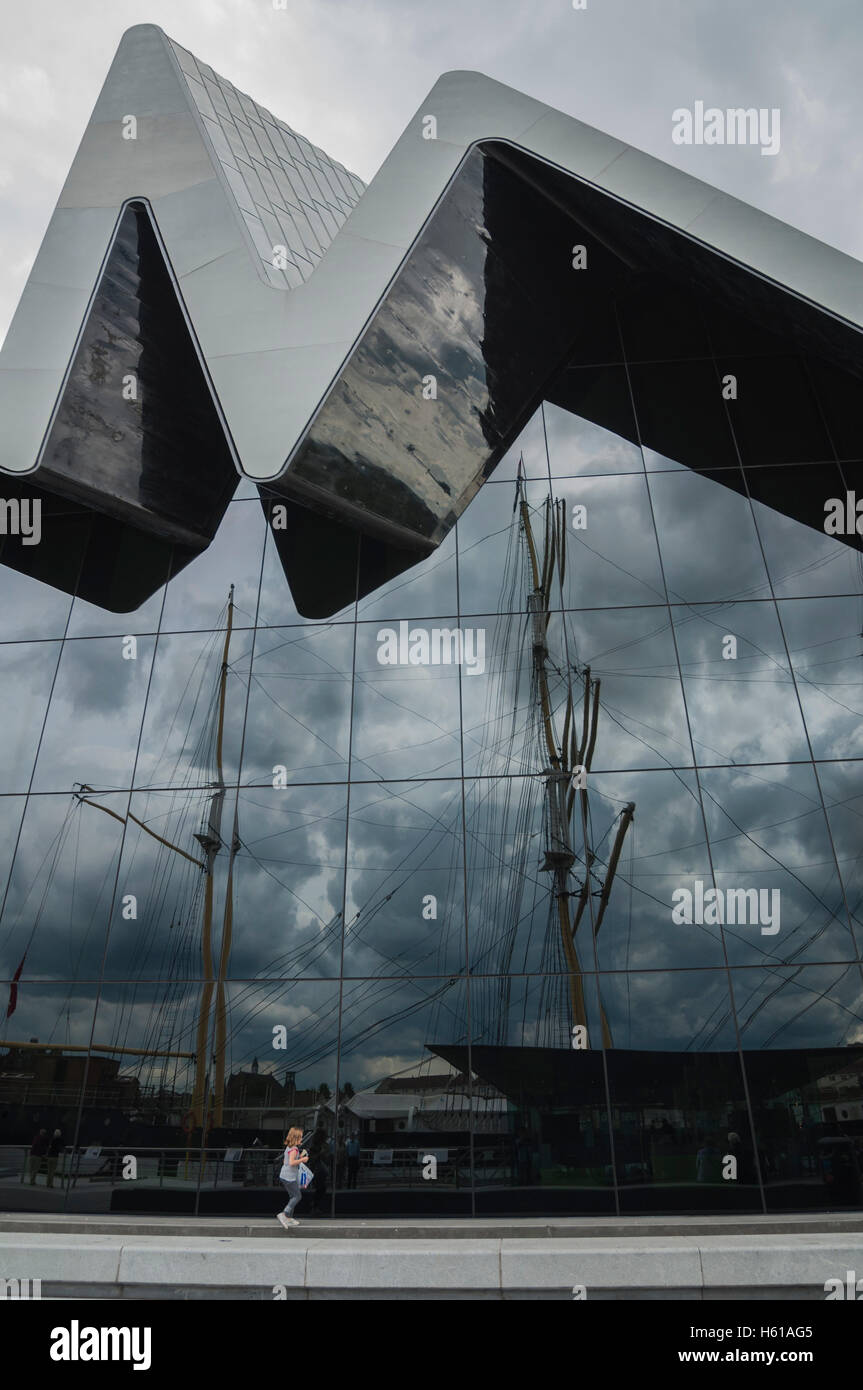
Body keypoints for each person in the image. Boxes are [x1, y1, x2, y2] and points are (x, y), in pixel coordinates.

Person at [276, 1127, 308, 1229]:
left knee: (292, 1196)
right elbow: (291, 1162)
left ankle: (289, 1218)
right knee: (297, 1196)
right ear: (296, 1137)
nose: (302, 1139)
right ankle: (284, 1214)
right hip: (289, 1177)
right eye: (301, 1137)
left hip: (285, 1175)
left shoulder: (289, 1148)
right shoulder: (294, 1149)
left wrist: (299, 1157)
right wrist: (303, 1159)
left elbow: (287, 1161)